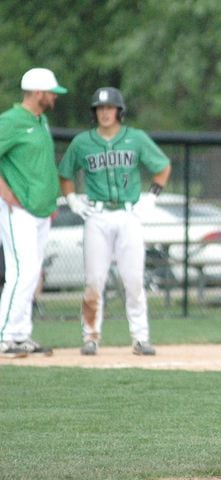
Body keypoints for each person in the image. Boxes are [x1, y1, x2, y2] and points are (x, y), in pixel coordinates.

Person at [58, 87, 171, 356]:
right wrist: (72, 199)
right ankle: (90, 337)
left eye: (109, 108)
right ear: (94, 112)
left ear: (119, 111)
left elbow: (163, 167)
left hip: (128, 214)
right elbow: (65, 173)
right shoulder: (82, 142)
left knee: (133, 279)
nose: (105, 113)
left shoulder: (135, 138)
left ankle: (140, 338)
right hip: (96, 216)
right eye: (100, 108)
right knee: (94, 280)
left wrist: (151, 197)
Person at [0, 68, 68, 358]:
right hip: (19, 210)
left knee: (32, 272)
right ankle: (4, 335)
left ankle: (20, 334)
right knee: (21, 270)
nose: (55, 97)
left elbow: (42, 166)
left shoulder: (40, 121)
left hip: (41, 210)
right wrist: (5, 192)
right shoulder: (11, 121)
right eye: (52, 92)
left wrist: (51, 203)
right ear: (38, 93)